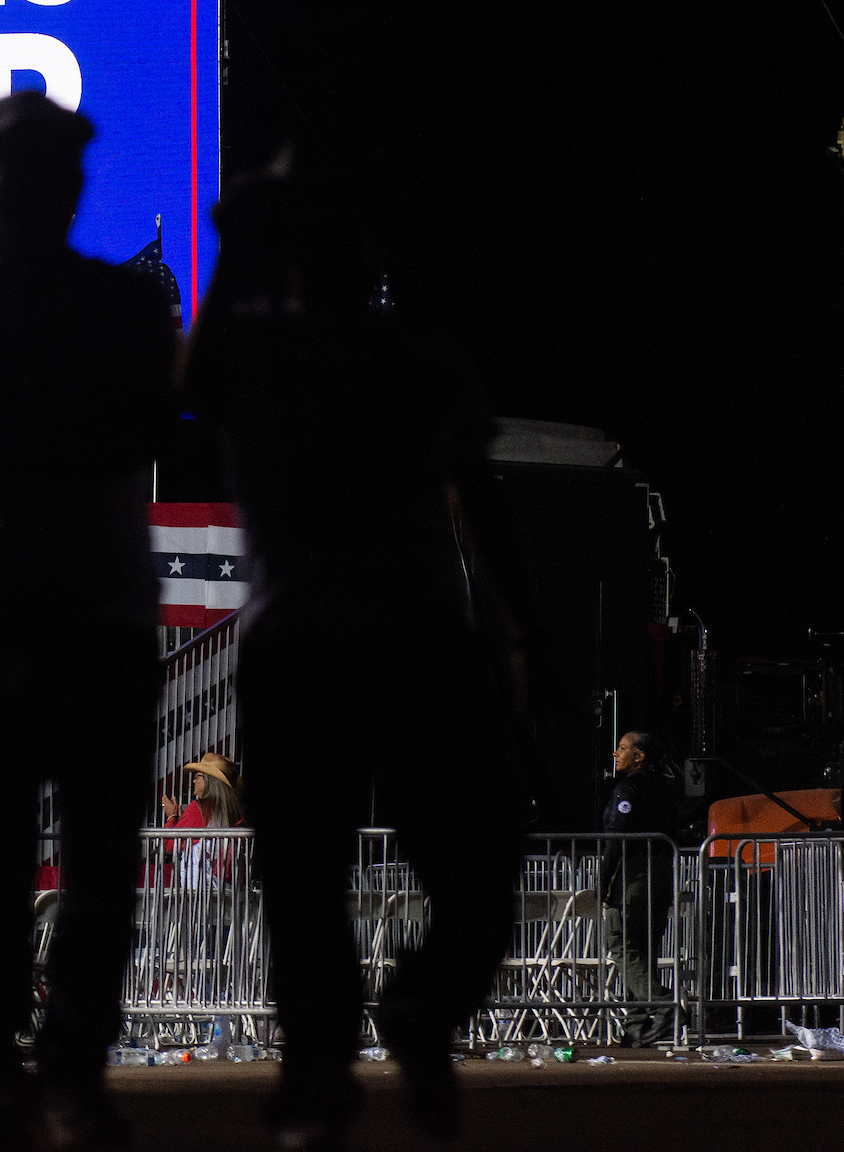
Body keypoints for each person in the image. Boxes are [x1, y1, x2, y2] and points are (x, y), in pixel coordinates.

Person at [184, 151, 529, 1146]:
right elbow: (484, 504)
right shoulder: (391, 351)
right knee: (392, 865)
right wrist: (520, 632)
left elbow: (479, 496)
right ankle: (346, 1051)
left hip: (333, 641)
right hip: (390, 635)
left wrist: (232, 246)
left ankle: (347, 1052)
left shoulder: (284, 348)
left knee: (324, 875)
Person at [0, 92, 176, 1150]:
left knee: (71, 853)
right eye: (32, 171)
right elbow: (116, 422)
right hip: (37, 606)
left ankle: (46, 1064)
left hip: (63, 604)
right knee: (22, 853)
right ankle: (12, 1064)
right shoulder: (106, 312)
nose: (48, 189)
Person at [601, 730, 681, 1046]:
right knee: (644, 945)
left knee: (619, 940)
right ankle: (637, 1023)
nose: (615, 753)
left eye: (622, 748)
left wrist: (604, 880)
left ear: (639, 756)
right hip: (663, 868)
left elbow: (616, 838)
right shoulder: (665, 787)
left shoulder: (628, 788)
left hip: (636, 871)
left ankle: (664, 1007)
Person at [161, 754, 246, 830]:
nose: (194, 781)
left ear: (209, 780)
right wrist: (181, 821)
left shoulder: (199, 808)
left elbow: (171, 843)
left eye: (198, 776)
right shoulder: (236, 809)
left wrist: (171, 817)